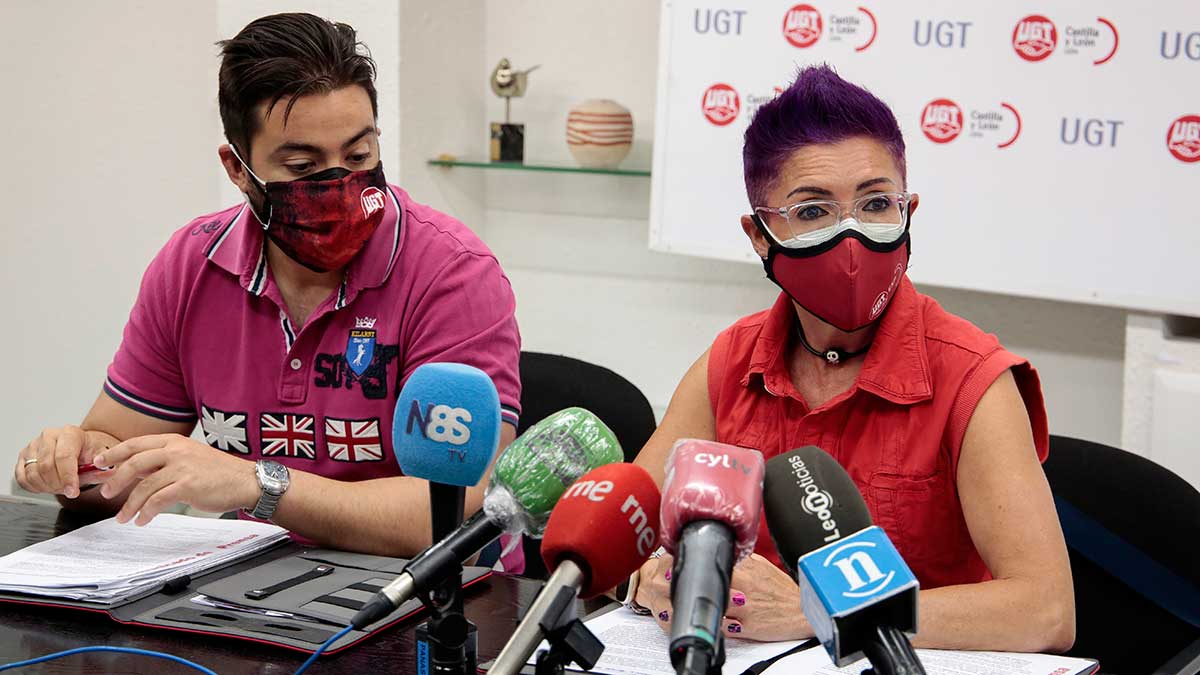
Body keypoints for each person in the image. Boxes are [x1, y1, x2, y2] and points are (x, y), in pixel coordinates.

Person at [12, 13, 522, 557]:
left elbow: (454, 508)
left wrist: (259, 483)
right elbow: (115, 456)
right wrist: (72, 462)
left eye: (358, 156)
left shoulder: (453, 272)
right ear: (237, 168)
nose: (340, 184)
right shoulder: (192, 265)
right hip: (252, 582)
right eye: (303, 165)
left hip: (435, 601)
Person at [631, 66, 1075, 652]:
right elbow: (630, 535)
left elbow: (1045, 611)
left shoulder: (974, 378)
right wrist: (655, 577)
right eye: (813, 211)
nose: (852, 238)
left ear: (907, 210)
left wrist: (821, 609)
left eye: (875, 204)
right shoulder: (728, 364)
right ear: (760, 235)